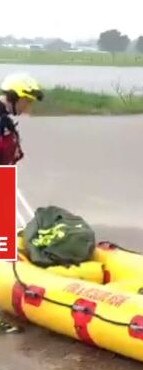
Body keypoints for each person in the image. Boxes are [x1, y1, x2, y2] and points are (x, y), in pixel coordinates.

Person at [0, 72, 44, 334]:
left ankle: (5, 301)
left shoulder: (5, 120)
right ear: (15, 97)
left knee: (5, 247)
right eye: (27, 101)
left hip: (5, 180)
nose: (29, 107)